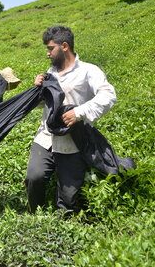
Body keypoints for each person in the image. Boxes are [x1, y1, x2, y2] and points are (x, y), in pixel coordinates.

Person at [25, 25, 117, 214]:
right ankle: (35, 216)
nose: (48, 53)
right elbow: (42, 103)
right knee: (34, 178)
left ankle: (64, 224)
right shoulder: (50, 73)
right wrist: (37, 91)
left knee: (68, 199)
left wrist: (79, 112)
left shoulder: (88, 71)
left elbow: (108, 95)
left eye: (51, 48)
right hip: (46, 138)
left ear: (64, 46)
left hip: (72, 141)